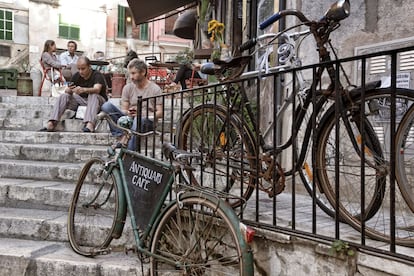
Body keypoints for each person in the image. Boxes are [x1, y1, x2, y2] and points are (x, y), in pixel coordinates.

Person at [101, 58, 163, 150]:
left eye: (133, 73)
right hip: (130, 118)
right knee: (106, 106)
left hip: (146, 121)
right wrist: (128, 112)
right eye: (130, 73)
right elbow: (124, 109)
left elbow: (160, 113)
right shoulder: (128, 88)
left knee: (138, 120)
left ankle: (129, 151)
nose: (131, 76)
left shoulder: (155, 89)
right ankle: (121, 136)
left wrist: (143, 115)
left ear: (143, 72)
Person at [39, 56, 107, 133]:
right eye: (79, 69)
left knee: (93, 94)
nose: (81, 71)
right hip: (82, 100)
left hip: (98, 101)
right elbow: (68, 90)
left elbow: (97, 89)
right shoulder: (77, 76)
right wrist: (71, 90)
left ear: (89, 67)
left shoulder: (97, 75)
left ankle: (90, 124)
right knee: (64, 96)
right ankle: (52, 122)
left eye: (83, 69)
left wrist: (83, 89)